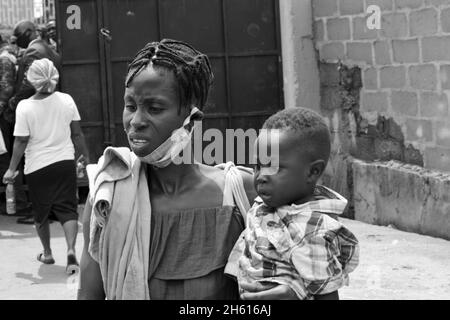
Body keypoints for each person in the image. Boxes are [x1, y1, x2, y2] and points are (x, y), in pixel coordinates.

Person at [78, 39, 307, 300]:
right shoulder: (108, 197)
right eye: (131, 106)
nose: (136, 121)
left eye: (154, 108)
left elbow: (318, 280)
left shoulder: (244, 194)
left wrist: (294, 291)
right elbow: (89, 295)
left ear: (192, 118)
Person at [225, 107, 360, 300]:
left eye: (275, 167)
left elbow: (327, 295)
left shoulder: (315, 230)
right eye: (258, 166)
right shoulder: (262, 208)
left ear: (312, 172)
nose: (261, 176)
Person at [2, 58, 90, 274]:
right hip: (64, 163)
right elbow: (77, 133)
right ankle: (70, 251)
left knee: (41, 213)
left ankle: (48, 253)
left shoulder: (25, 107)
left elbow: (21, 142)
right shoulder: (67, 100)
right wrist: (86, 157)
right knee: (68, 209)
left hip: (38, 168)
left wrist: (12, 169)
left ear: (32, 79)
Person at [7, 20, 61, 224]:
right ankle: (52, 208)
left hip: (37, 111)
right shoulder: (47, 48)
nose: (15, 39)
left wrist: (13, 103)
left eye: (18, 35)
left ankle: (42, 211)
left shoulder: (33, 51)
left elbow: (29, 83)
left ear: (29, 32)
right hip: (50, 110)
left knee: (36, 162)